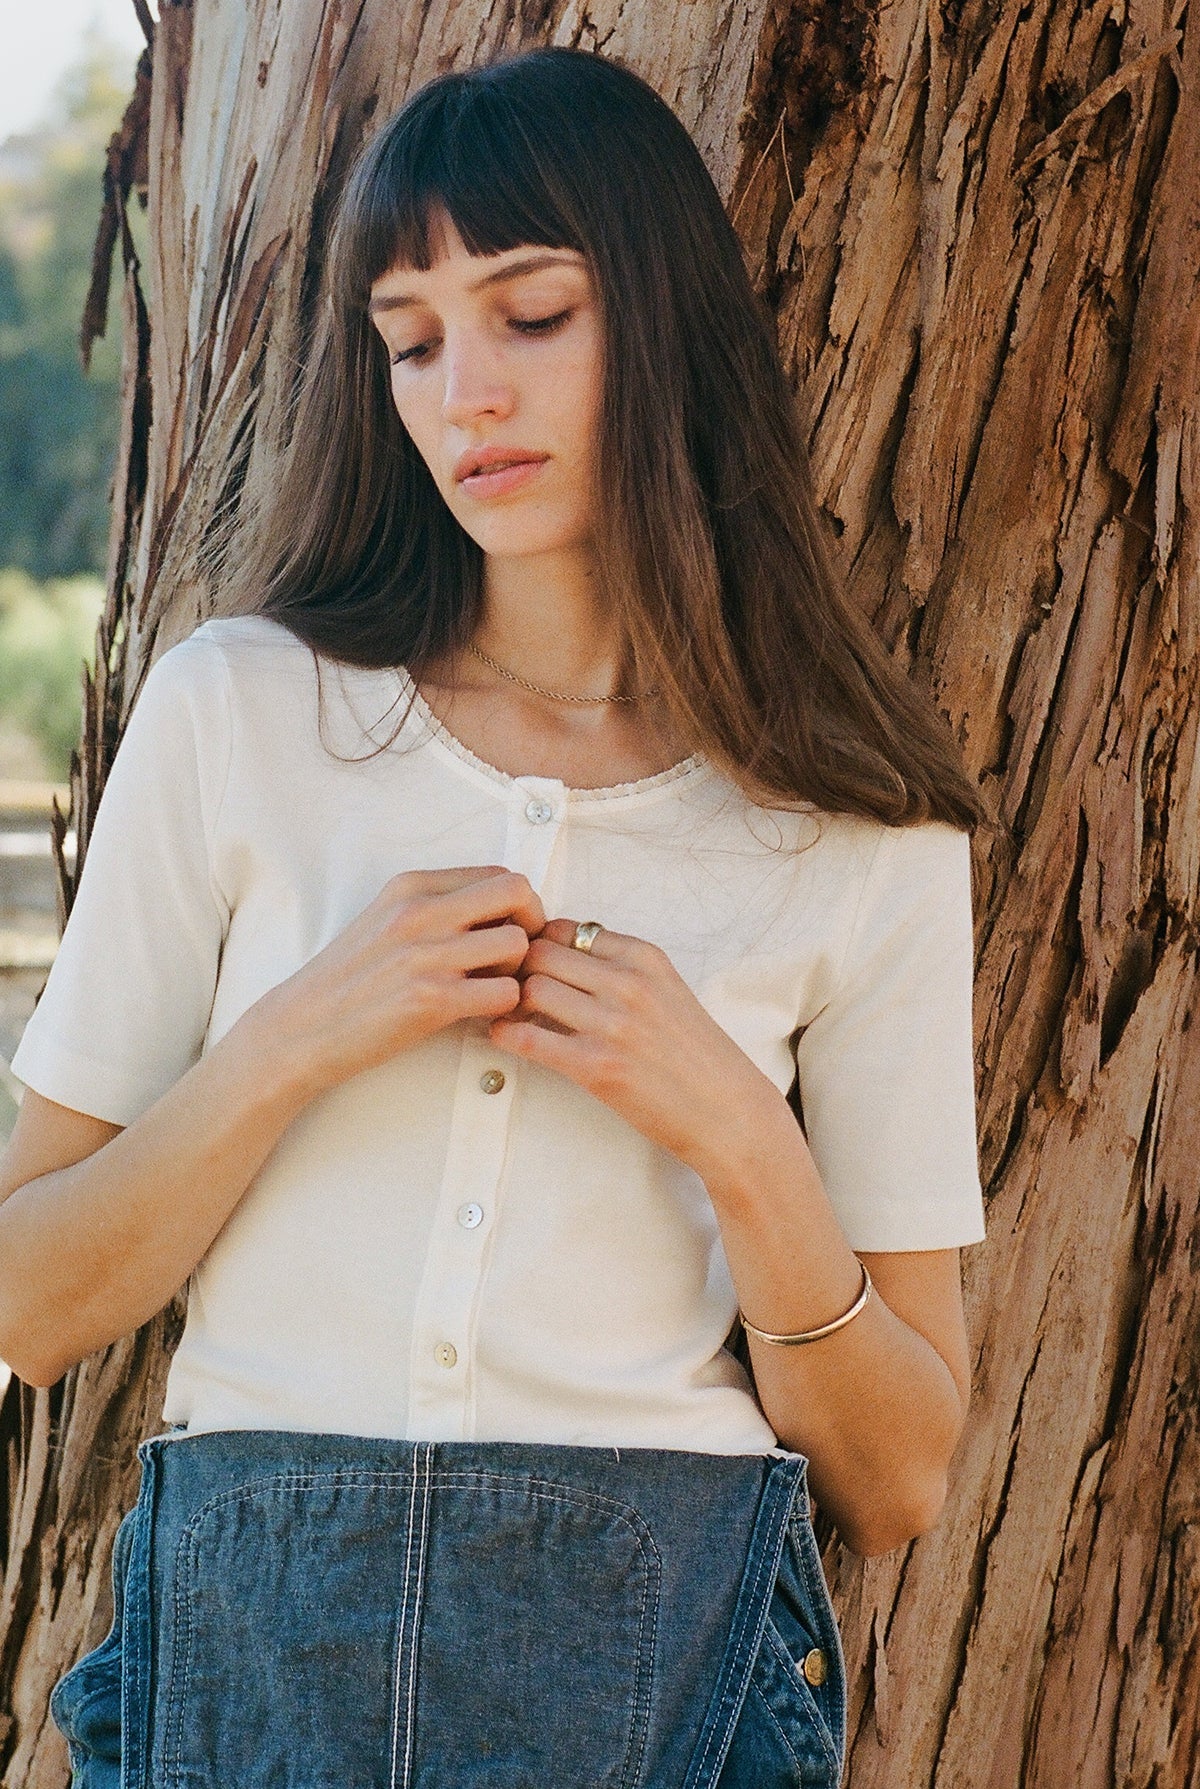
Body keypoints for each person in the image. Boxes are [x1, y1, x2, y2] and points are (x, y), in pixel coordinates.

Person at [0, 45, 989, 1789]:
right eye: (411, 339)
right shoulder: (241, 712)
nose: (467, 393)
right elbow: (26, 1298)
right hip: (250, 1649)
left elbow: (900, 1473)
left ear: (666, 320)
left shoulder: (859, 827)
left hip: (668, 1669)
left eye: (532, 314)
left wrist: (738, 1133)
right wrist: (296, 1036)